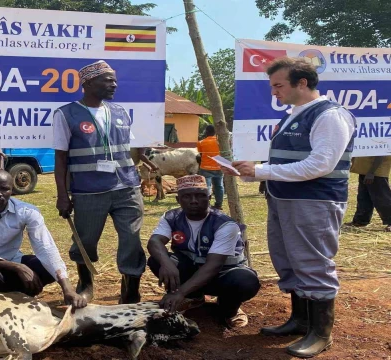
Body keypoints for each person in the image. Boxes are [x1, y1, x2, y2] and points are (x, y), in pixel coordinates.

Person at [225, 57, 356, 358]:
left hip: (314, 201)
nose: (273, 92)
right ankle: (300, 320)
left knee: (312, 263)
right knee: (289, 261)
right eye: (272, 86)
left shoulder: (330, 116)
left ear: (302, 83)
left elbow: (321, 164)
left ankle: (320, 334)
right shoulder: (294, 115)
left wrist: (260, 171)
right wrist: (250, 172)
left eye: (278, 85)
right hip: (284, 199)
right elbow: (287, 161)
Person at [53, 60, 146, 304]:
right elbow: (61, 158)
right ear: (88, 83)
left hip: (127, 187)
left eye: (115, 80)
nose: (114, 85)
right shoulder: (66, 114)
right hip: (89, 191)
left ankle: (130, 288)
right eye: (108, 80)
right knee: (85, 240)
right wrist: (62, 195)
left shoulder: (120, 112)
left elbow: (130, 150)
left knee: (132, 238)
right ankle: (85, 283)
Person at [0, 169, 86, 309]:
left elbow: (46, 248)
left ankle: (16, 299)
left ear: (12, 190)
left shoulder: (27, 211)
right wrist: (18, 267)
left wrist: (67, 288)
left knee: (45, 268)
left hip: (11, 260)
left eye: (4, 189)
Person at [147, 175, 260, 327]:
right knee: (157, 260)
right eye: (187, 196)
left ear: (209, 197)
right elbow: (155, 241)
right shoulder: (171, 217)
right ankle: (194, 297)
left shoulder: (225, 224)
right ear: (178, 200)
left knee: (246, 281)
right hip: (192, 272)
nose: (194, 200)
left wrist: (179, 292)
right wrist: (166, 263)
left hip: (222, 275)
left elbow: (213, 265)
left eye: (200, 196)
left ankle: (229, 308)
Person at [344, 156, 391, 232]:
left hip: (376, 170)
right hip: (365, 169)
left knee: (382, 198)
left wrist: (372, 172)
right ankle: (361, 220)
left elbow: (381, 154)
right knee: (364, 196)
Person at [197, 125, 224, 210]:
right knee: (219, 186)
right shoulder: (220, 142)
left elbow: (200, 155)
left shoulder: (201, 142)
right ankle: (219, 205)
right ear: (215, 132)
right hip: (219, 167)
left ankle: (206, 204)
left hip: (205, 168)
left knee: (206, 187)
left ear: (206, 132)